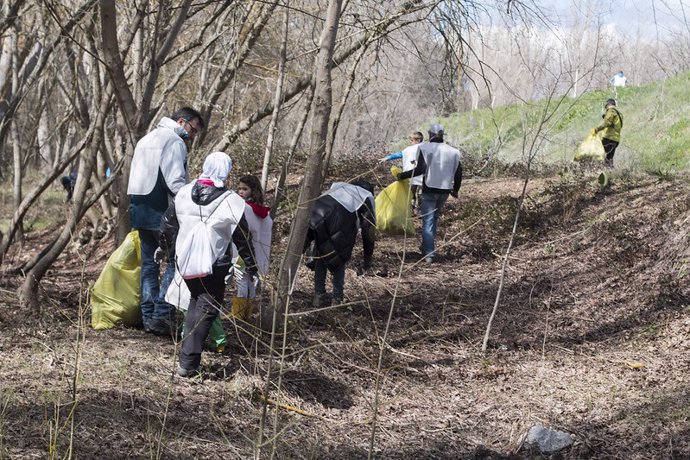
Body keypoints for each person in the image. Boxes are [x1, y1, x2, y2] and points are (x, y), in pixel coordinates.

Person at [158, 152, 257, 378]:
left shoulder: (183, 193)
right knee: (206, 309)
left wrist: (163, 248)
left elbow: (166, 225)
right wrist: (252, 266)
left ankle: (186, 358)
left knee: (195, 303)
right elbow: (243, 238)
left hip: (185, 262)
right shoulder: (232, 201)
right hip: (215, 264)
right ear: (226, 171)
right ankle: (188, 363)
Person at [127, 107, 205, 336]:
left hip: (139, 209)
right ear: (182, 122)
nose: (193, 135)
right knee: (174, 261)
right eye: (194, 129)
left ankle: (148, 316)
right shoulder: (174, 142)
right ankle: (162, 314)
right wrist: (192, 203)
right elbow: (175, 182)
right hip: (162, 211)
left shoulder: (146, 139)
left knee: (149, 265)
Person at [304, 179, 376, 307]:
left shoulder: (338, 188)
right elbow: (368, 231)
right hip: (340, 222)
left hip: (318, 215)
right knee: (339, 258)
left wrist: (305, 244)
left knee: (322, 254)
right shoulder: (365, 197)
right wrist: (367, 259)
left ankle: (318, 295)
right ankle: (337, 298)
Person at [397, 123, 462, 264]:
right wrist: (455, 190)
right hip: (445, 190)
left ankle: (429, 253)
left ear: (430, 134)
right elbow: (458, 173)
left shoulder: (424, 148)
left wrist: (403, 175)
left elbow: (420, 169)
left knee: (428, 220)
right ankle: (427, 246)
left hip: (429, 189)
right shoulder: (454, 152)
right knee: (434, 219)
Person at [232, 175, 273, 320]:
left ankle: (238, 315)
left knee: (242, 281)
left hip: (244, 253)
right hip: (258, 254)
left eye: (245, 189)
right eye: (239, 189)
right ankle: (247, 315)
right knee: (251, 281)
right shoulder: (264, 212)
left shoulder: (245, 209)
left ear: (253, 191)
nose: (241, 192)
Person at [380, 131, 424, 210]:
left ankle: (413, 209)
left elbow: (399, 154)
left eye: (412, 139)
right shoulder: (425, 147)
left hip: (412, 176)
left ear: (418, 140)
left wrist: (387, 158)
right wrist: (387, 158)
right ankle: (418, 209)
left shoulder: (411, 149)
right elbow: (399, 154)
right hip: (420, 176)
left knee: (413, 193)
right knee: (418, 193)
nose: (411, 141)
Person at [592, 99, 623, 168]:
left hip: (608, 138)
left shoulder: (611, 111)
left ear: (608, 105)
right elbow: (614, 124)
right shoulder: (619, 114)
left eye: (606, 106)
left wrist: (596, 129)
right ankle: (611, 173)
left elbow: (607, 123)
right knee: (609, 159)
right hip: (616, 139)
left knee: (597, 152)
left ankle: (594, 169)